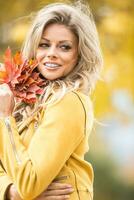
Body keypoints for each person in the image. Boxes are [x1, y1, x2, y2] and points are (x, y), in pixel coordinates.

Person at [0, 1, 103, 200]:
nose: (52, 53)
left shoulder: (68, 101)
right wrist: (11, 192)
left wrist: (5, 118)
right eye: (44, 44)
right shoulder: (21, 102)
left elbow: (29, 183)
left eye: (64, 47)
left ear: (79, 54)